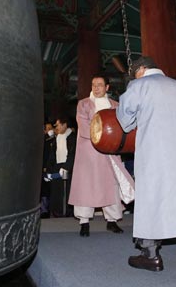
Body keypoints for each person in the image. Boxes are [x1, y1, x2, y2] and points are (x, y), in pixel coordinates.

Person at [116, 56, 176, 272]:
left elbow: (124, 120)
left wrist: (136, 122)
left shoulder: (138, 85)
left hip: (154, 149)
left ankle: (150, 254)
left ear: (141, 69)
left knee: (153, 194)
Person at [69, 75, 135, 237]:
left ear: (107, 88)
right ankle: (84, 222)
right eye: (93, 85)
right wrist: (103, 137)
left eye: (100, 85)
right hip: (89, 152)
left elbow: (123, 127)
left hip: (110, 152)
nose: (96, 88)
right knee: (87, 185)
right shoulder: (83, 104)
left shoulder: (116, 105)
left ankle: (112, 221)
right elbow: (84, 127)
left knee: (111, 185)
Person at [45, 116, 76, 217]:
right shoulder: (55, 139)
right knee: (56, 192)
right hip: (57, 168)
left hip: (68, 168)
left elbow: (73, 154)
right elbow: (52, 156)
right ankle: (56, 214)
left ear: (64, 125)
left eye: (57, 125)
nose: (56, 127)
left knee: (68, 192)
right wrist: (48, 171)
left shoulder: (72, 137)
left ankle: (68, 213)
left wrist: (67, 167)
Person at [40, 122, 56, 218]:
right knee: (44, 190)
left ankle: (50, 209)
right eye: (48, 128)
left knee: (51, 189)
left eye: (52, 128)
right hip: (45, 168)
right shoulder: (44, 140)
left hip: (53, 168)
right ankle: (44, 210)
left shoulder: (55, 139)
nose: (51, 130)